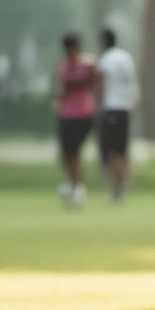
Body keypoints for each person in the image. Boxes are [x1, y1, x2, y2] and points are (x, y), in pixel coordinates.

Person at [94, 28, 138, 201]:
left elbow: (101, 85)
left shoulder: (106, 60)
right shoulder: (126, 57)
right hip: (125, 107)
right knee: (122, 148)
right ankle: (124, 184)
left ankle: (117, 188)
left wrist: (98, 108)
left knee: (111, 151)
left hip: (111, 107)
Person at [53, 34, 96, 205]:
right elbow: (61, 87)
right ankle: (73, 183)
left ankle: (78, 186)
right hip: (67, 113)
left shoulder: (88, 65)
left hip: (84, 113)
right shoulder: (64, 67)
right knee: (67, 152)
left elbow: (96, 79)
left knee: (75, 149)